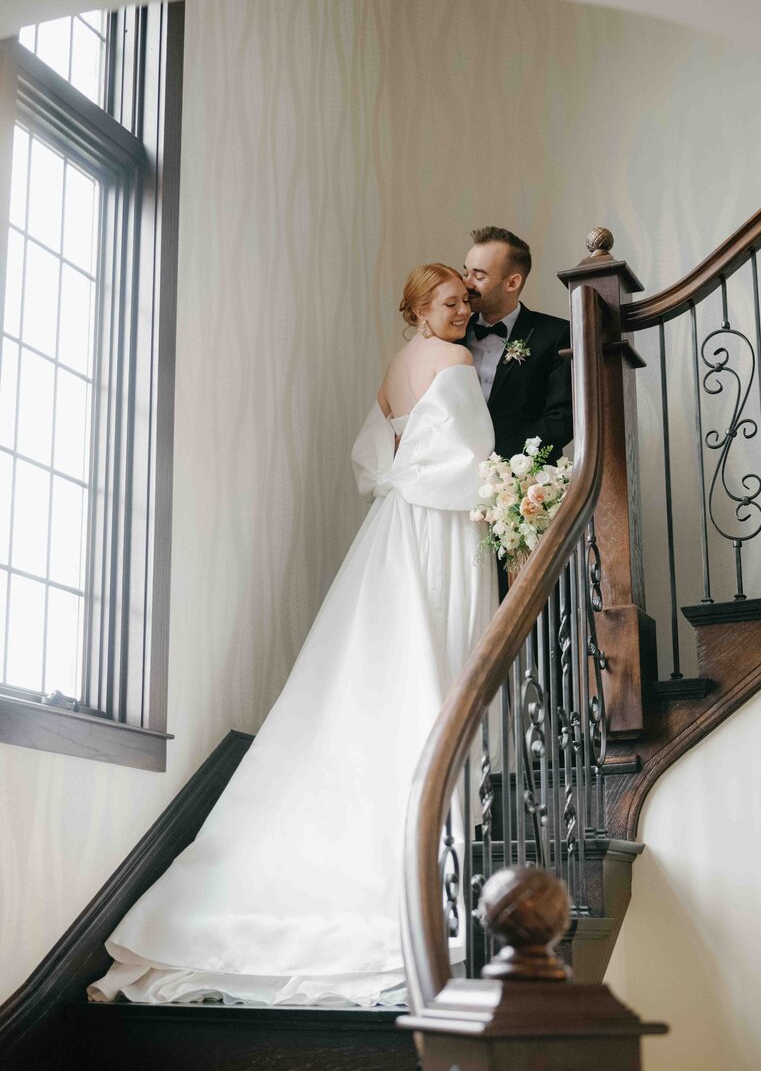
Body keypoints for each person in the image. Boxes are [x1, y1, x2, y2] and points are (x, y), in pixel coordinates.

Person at [88, 264, 498, 1009]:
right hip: (441, 529)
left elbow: (371, 461)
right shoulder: (457, 362)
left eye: (466, 303)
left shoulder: (394, 371)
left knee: (365, 673)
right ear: (417, 309)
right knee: (433, 660)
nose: (463, 314)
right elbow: (478, 463)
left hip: (391, 531)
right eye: (448, 303)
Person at [463, 226, 572, 460]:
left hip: (520, 481)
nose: (467, 284)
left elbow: (561, 418)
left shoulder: (556, 334)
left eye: (479, 276)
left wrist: (499, 463)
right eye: (466, 273)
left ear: (512, 283)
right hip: (453, 475)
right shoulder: (453, 336)